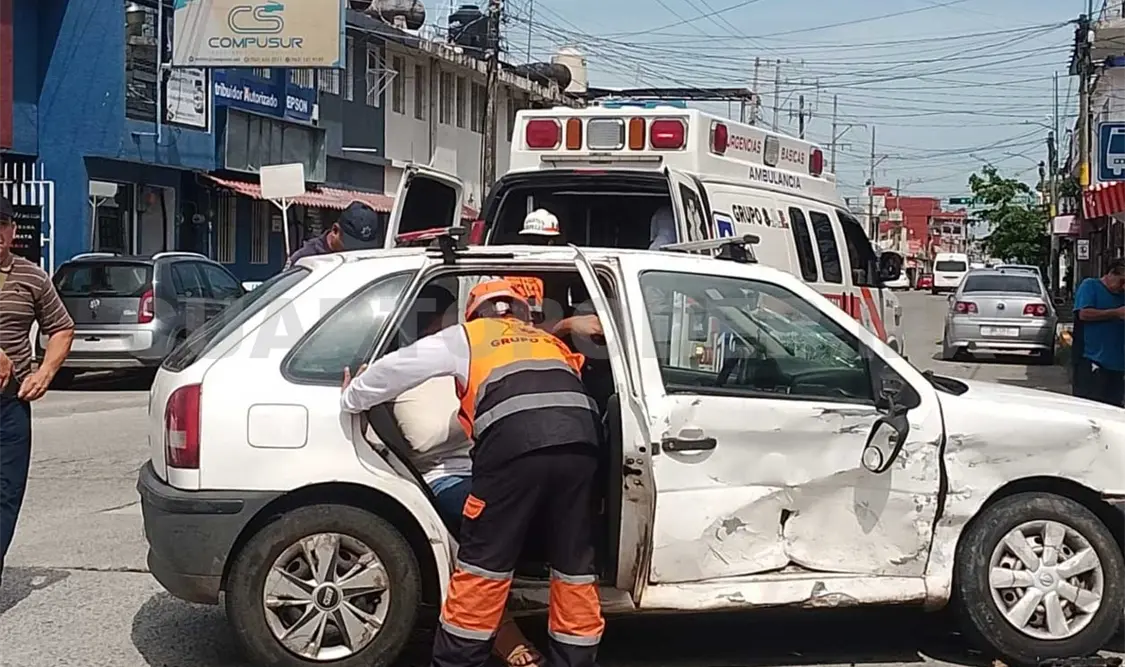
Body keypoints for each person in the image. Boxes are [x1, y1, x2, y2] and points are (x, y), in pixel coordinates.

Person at [341, 279, 605, 667]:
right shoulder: (546, 342)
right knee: (574, 569)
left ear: (474, 313)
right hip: (581, 444)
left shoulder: (469, 336)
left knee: (485, 565)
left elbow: (399, 367)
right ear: (522, 312)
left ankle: (457, 662)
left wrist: (353, 394)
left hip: (515, 448)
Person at [383, 282, 546, 667]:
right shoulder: (407, 369)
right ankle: (500, 633)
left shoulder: (467, 357)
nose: (447, 328)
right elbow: (425, 439)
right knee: (492, 532)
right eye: (440, 321)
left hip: (488, 466)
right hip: (448, 475)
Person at [0, 194, 75, 591]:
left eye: (2, 225)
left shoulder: (31, 276)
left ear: (12, 230)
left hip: (10, 405)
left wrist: (45, 371)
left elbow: (61, 328)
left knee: (7, 493)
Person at [1072, 259, 1125, 406]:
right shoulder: (1090, 286)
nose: (1123, 287)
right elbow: (1084, 314)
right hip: (1092, 360)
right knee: (1091, 405)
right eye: (1122, 281)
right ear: (1111, 274)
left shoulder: (1122, 295)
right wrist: (1115, 313)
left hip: (1117, 364)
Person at [284, 201, 383, 268]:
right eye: (350, 246)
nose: (355, 251)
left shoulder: (364, 260)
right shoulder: (305, 258)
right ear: (335, 230)